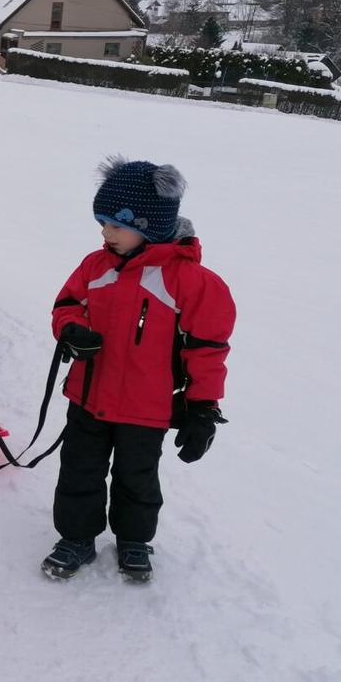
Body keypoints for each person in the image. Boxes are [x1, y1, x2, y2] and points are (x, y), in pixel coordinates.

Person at [42, 158, 235, 583]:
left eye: (114, 225)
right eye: (102, 222)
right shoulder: (96, 265)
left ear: (146, 225)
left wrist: (203, 408)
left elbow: (207, 350)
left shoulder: (192, 281)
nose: (104, 233)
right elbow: (66, 304)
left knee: (138, 478)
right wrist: (71, 329)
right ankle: (76, 537)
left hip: (146, 409)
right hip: (88, 396)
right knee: (79, 470)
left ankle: (134, 539)